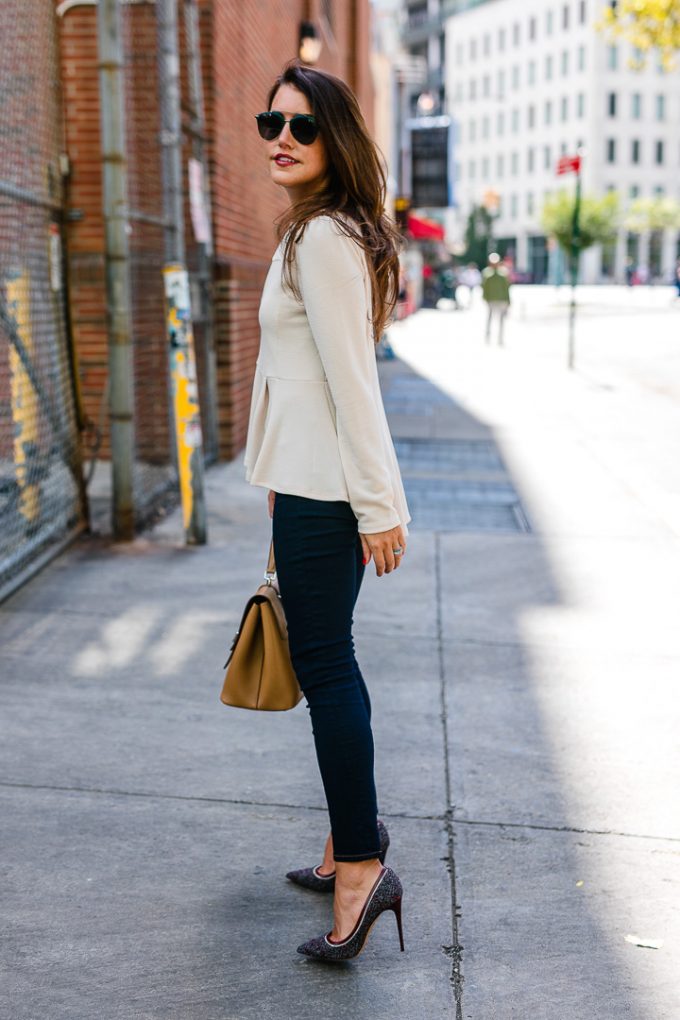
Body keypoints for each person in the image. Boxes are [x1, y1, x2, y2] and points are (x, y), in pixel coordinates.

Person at [244, 60, 410, 962]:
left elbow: (354, 383)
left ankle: (361, 867)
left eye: (302, 127)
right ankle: (346, 844)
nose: (281, 138)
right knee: (325, 668)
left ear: (334, 139)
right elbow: (298, 381)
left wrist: (380, 507)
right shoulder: (310, 231)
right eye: (273, 120)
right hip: (303, 485)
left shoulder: (326, 240)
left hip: (329, 496)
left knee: (328, 671)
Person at [481, 252, 511, 345]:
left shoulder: (503, 273)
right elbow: (484, 287)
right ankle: (488, 337)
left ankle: (500, 339)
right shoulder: (487, 273)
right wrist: (485, 298)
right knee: (490, 319)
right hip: (491, 300)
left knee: (501, 320)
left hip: (501, 300)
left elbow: (506, 288)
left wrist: (508, 300)